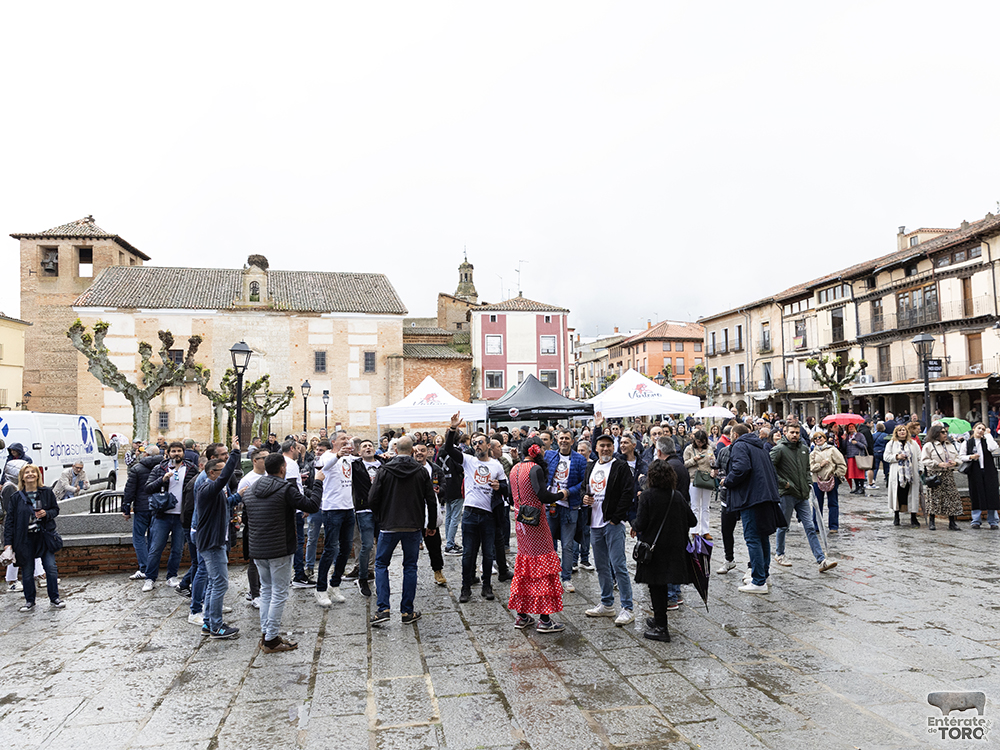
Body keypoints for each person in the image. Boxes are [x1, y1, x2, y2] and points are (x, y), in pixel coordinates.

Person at [244, 452, 320, 652]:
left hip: (258, 549)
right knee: (279, 592)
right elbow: (312, 506)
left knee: (266, 590)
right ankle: (271, 639)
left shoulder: (251, 489)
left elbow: (246, 519)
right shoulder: (286, 488)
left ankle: (267, 633)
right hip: (279, 548)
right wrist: (318, 483)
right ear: (283, 468)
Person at [368, 436, 437, 625]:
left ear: (396, 450)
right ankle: (407, 611)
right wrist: (430, 525)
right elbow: (431, 500)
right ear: (413, 451)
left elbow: (372, 498)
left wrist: (381, 517)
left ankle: (383, 608)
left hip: (389, 525)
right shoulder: (421, 471)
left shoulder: (384, 470)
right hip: (413, 525)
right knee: (410, 566)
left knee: (381, 565)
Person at [444, 413, 507, 604]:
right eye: (474, 442)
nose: (477, 445)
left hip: (488, 515)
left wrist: (499, 487)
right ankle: (465, 587)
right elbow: (448, 449)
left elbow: (507, 488)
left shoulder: (497, 465)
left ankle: (487, 585)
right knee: (468, 553)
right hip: (470, 513)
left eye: (481, 442)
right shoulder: (468, 461)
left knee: (488, 553)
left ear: (489, 445)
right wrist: (453, 428)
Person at [633, 459, 696, 642]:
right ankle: (659, 620)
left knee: (656, 587)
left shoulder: (647, 496)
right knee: (664, 586)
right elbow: (692, 521)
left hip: (655, 550)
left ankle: (662, 627)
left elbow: (641, 523)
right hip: (675, 548)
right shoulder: (676, 495)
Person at [508, 437, 566, 633]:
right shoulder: (535, 469)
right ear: (536, 450)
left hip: (520, 521)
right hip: (536, 521)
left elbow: (510, 496)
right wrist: (561, 495)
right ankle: (545, 619)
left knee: (525, 567)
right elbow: (543, 495)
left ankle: (522, 615)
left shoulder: (515, 468)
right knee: (541, 567)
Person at [721, 424, 784, 594]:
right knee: (762, 536)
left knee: (753, 537)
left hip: (751, 498)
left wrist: (727, 480)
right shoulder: (760, 446)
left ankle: (758, 581)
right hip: (765, 496)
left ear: (734, 434)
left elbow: (741, 468)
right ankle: (764, 575)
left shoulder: (740, 445)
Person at [583, 433, 635, 625]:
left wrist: (616, 518)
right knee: (601, 566)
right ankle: (607, 604)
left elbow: (628, 492)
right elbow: (584, 488)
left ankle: (627, 607)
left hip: (612, 524)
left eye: (608, 446)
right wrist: (584, 498)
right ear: (595, 448)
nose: (605, 449)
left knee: (619, 565)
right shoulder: (590, 466)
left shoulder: (620, 467)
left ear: (613, 448)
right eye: (601, 446)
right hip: (594, 523)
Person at [770, 424, 837, 573]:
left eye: (797, 432)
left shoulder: (804, 449)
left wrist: (808, 482)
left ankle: (821, 560)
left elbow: (807, 469)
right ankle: (779, 554)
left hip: (802, 493)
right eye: (792, 432)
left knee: (810, 527)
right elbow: (769, 468)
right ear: (785, 432)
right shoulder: (779, 449)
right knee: (783, 526)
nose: (795, 435)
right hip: (787, 494)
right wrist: (784, 483)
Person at [196, 439, 242, 639]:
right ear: (212, 473)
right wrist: (235, 454)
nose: (226, 473)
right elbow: (224, 479)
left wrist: (239, 496)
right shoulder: (207, 487)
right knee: (220, 583)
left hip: (216, 541)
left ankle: (208, 623)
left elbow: (225, 503)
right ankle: (216, 626)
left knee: (214, 583)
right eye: (221, 470)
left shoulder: (216, 489)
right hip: (212, 543)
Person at [3, 465, 64, 611]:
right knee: (27, 571)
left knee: (50, 568)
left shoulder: (46, 492)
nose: (30, 475)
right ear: (22, 477)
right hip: (25, 539)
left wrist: (46, 513)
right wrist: (8, 544)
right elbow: (9, 522)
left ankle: (55, 598)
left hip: (44, 537)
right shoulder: (16, 497)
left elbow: (55, 510)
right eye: (27, 473)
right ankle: (29, 601)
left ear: (37, 475)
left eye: (33, 472)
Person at [143, 441, 198, 591]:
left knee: (177, 548)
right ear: (167, 453)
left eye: (179, 451)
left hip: (182, 515)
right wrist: (163, 479)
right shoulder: (160, 468)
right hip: (162, 514)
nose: (176, 453)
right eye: (173, 451)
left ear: (183, 452)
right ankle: (150, 578)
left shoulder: (192, 468)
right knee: (156, 547)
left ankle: (171, 576)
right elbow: (148, 488)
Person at [312, 433, 357, 606]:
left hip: (348, 508)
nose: (346, 441)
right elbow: (324, 468)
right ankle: (321, 589)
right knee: (330, 548)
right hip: (332, 509)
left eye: (348, 438)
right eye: (343, 439)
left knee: (346, 548)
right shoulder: (327, 455)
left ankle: (335, 585)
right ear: (333, 442)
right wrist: (338, 455)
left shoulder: (349, 458)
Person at [544, 427, 589, 593]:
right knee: (550, 544)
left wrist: (567, 492)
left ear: (572, 440)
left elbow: (582, 482)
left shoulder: (579, 459)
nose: (563, 441)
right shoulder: (549, 455)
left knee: (568, 544)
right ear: (557, 439)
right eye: (561, 438)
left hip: (570, 506)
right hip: (551, 506)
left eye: (566, 438)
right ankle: (551, 575)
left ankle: (566, 577)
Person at [122, 445, 161, 580]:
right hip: (158, 507)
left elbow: (129, 490)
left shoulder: (137, 469)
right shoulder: (163, 467)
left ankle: (144, 567)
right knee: (153, 538)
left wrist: (126, 509)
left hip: (142, 507)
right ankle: (152, 567)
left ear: (145, 455)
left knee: (138, 537)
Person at [413, 442, 447, 588]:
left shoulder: (435, 468)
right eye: (416, 451)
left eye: (422, 450)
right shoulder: (409, 469)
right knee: (412, 545)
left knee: (434, 544)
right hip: (412, 512)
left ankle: (438, 571)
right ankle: (410, 573)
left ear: (428, 453)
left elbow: (444, 484)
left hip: (430, 511)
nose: (419, 453)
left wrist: (441, 490)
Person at [921, 423, 966, 531]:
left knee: (951, 497)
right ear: (936, 433)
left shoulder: (950, 445)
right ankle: (932, 521)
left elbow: (959, 458)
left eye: (946, 432)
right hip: (935, 474)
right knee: (934, 498)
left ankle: (952, 522)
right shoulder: (929, 445)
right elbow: (924, 460)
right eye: (942, 432)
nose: (945, 434)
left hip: (948, 474)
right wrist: (937, 464)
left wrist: (954, 463)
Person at [883, 424, 922, 527]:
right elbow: (886, 457)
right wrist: (897, 456)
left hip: (911, 473)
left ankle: (913, 517)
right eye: (900, 430)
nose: (902, 432)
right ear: (896, 432)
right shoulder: (891, 444)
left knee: (911, 494)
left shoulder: (913, 444)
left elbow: (919, 457)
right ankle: (896, 516)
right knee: (898, 494)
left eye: (904, 430)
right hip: (897, 474)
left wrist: (920, 469)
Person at [809, 432, 846, 533]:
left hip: (831, 479)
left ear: (825, 438)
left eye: (820, 437)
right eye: (815, 438)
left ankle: (833, 526)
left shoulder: (833, 450)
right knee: (817, 504)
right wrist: (820, 465)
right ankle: (816, 526)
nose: (818, 439)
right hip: (817, 480)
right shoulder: (813, 453)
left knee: (833, 503)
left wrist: (836, 474)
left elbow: (842, 464)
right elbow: (811, 467)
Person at [964, 422, 999, 529]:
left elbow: (993, 448)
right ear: (974, 429)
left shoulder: (986, 441)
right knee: (976, 494)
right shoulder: (967, 443)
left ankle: (993, 521)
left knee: (992, 494)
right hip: (975, 471)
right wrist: (971, 457)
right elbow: (961, 456)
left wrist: (988, 435)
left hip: (989, 471)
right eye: (979, 428)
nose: (981, 431)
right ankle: (976, 520)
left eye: (983, 429)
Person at [683, 430, 714, 537]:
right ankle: (694, 530)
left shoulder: (709, 448)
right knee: (695, 506)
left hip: (706, 478)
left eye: (702, 441)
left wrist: (712, 461)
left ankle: (705, 530)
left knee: (706, 506)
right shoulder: (689, 449)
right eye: (698, 441)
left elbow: (713, 463)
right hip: (694, 478)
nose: (700, 443)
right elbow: (685, 464)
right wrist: (694, 460)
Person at [844, 424, 869, 495]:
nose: (851, 428)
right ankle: (857, 487)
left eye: (852, 427)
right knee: (853, 473)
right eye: (849, 427)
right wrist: (844, 440)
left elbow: (865, 445)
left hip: (859, 457)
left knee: (859, 473)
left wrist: (857, 443)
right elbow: (844, 446)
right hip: (850, 456)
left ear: (855, 428)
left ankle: (861, 487)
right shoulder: (848, 437)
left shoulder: (860, 435)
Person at [871, 422, 889, 487]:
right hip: (884, 452)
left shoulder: (873, 435)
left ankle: (873, 480)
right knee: (886, 467)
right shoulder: (886, 435)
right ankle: (887, 479)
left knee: (875, 467)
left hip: (875, 452)